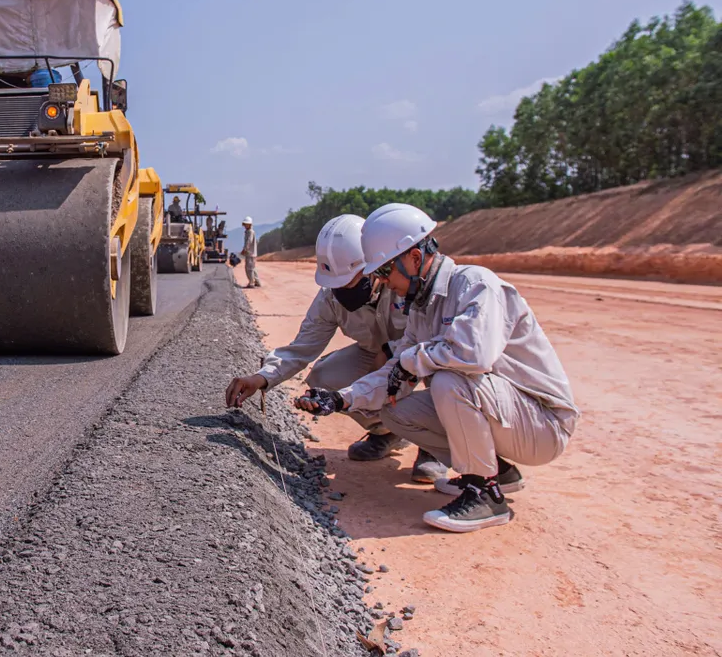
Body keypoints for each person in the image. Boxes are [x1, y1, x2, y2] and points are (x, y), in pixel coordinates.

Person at [304, 204, 580, 533]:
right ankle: (499, 472)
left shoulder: (475, 285)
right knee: (397, 413)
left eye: (385, 272)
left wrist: (410, 360)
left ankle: (484, 495)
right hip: (506, 416)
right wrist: (342, 399)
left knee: (450, 380)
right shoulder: (423, 309)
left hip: (541, 424)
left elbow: (474, 355)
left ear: (415, 259)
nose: (384, 283)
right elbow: (396, 371)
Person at [224, 215, 446, 481]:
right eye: (336, 285)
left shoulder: (405, 283)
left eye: (349, 282)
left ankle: (435, 448)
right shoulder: (330, 297)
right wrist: (261, 378)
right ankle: (386, 433)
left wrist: (395, 357)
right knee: (324, 378)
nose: (342, 292)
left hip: (419, 354)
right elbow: (302, 347)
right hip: (373, 355)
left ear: (374, 267)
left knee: (441, 373)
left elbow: (435, 338)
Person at [240, 216, 260, 288]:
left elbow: (249, 242)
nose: (245, 225)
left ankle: (251, 283)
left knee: (249, 269)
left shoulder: (250, 232)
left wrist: (244, 249)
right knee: (253, 268)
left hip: (250, 253)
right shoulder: (248, 232)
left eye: (246, 224)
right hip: (251, 253)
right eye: (244, 224)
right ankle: (257, 282)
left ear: (250, 224)